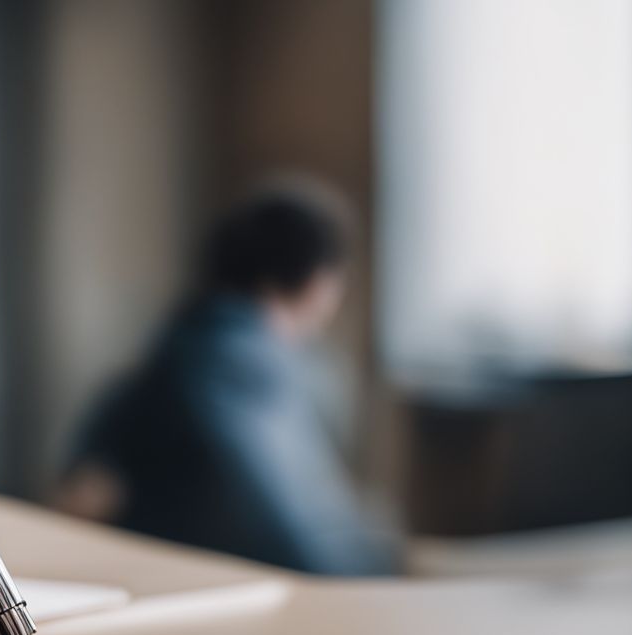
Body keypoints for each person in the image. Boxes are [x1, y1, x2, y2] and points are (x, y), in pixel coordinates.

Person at [60, 180, 398, 575]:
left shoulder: (174, 348)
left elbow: (77, 492)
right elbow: (300, 542)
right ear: (317, 282)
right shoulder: (247, 369)